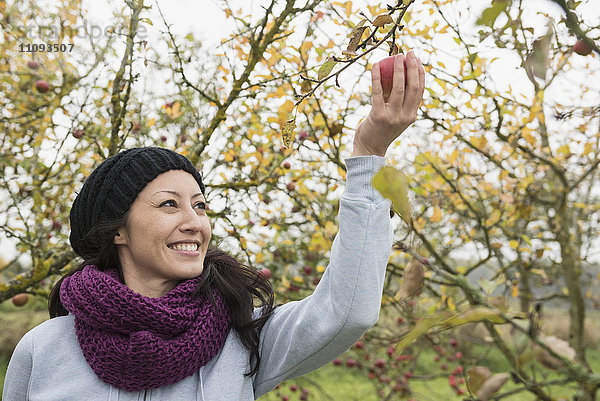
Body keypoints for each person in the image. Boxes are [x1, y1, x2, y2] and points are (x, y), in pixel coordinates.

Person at [2, 51, 425, 400]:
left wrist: (369, 152)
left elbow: (346, 310)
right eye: (169, 205)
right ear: (118, 231)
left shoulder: (242, 336)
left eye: (200, 206)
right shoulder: (45, 347)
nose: (194, 223)